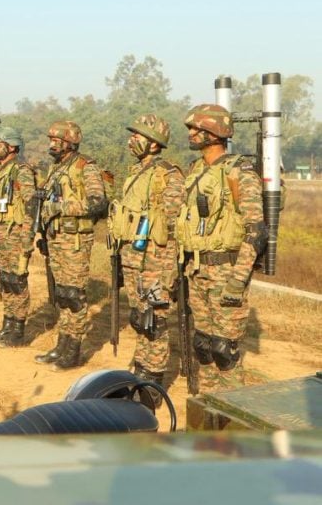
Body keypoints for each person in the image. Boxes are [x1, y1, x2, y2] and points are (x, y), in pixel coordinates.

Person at [175, 104, 265, 392]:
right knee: (203, 346)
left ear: (214, 133)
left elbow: (256, 231)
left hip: (227, 270)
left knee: (224, 351)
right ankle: (206, 407)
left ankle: (230, 411)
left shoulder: (240, 172)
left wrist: (238, 280)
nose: (191, 133)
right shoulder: (196, 170)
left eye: (196, 128)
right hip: (197, 269)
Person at [107, 114, 184, 383]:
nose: (131, 140)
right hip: (132, 257)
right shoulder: (136, 172)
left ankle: (153, 380)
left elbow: (173, 224)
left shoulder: (169, 175)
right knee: (140, 316)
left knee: (155, 320)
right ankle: (141, 367)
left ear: (154, 142)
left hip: (155, 262)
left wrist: (167, 267)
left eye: (137, 136)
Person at [32, 120, 109, 370]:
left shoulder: (85, 167)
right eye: (51, 140)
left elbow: (98, 202)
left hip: (75, 240)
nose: (52, 145)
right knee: (63, 294)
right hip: (56, 239)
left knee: (74, 296)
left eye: (57, 140)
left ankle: (73, 351)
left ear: (70, 142)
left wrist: (61, 207)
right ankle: (62, 345)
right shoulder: (57, 168)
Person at [0, 126, 37, 348]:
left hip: (16, 234)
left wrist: (27, 238)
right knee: (5, 280)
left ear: (12, 147)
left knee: (17, 280)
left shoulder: (21, 170)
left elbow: (31, 206)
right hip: (1, 233)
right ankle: (7, 325)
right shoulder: (1, 170)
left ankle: (18, 331)